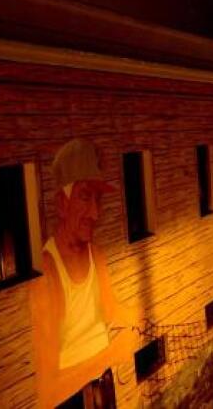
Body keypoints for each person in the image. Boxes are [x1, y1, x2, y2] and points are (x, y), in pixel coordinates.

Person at [30, 139, 140, 408]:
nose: (95, 213)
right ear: (62, 203)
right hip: (73, 400)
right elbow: (47, 392)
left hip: (103, 385)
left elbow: (109, 310)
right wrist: (110, 354)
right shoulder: (47, 274)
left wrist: (136, 316)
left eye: (98, 199)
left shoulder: (96, 255)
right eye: (84, 196)